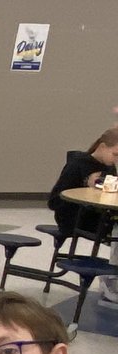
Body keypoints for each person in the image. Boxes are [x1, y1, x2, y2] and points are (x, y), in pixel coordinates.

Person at [48, 127, 118, 302]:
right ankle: (111, 282)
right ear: (102, 146)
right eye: (115, 154)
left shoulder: (110, 168)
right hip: (75, 219)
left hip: (100, 217)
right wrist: (87, 186)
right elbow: (54, 201)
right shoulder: (78, 164)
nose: (117, 159)